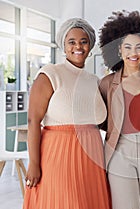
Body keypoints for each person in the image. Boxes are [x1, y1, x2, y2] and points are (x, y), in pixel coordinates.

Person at [23, 18, 111, 209]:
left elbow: (102, 120)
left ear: (90, 46)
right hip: (58, 154)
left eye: (83, 41)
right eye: (72, 42)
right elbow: (33, 121)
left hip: (93, 156)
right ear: (63, 45)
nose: (78, 46)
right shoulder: (50, 73)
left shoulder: (95, 80)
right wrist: (34, 163)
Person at [98, 11, 140, 209]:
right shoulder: (107, 84)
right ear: (119, 50)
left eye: (138, 47)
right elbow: (101, 120)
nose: (133, 52)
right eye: (127, 47)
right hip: (120, 150)